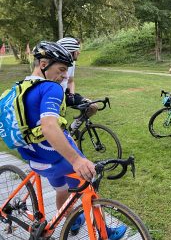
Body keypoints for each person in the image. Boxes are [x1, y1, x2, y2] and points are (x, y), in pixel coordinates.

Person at [17, 41, 126, 239]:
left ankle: (72, 221)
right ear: (43, 64)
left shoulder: (20, 88)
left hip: (36, 160)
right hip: (57, 156)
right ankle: (104, 233)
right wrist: (77, 159)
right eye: (61, 70)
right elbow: (50, 125)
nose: (65, 76)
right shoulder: (50, 88)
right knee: (88, 179)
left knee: (62, 189)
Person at [56, 37, 98, 135]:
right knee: (59, 130)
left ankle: (73, 128)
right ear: (69, 52)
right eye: (76, 50)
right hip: (56, 97)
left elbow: (70, 81)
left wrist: (71, 95)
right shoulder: (55, 66)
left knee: (93, 106)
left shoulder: (72, 63)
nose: (79, 52)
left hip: (66, 95)